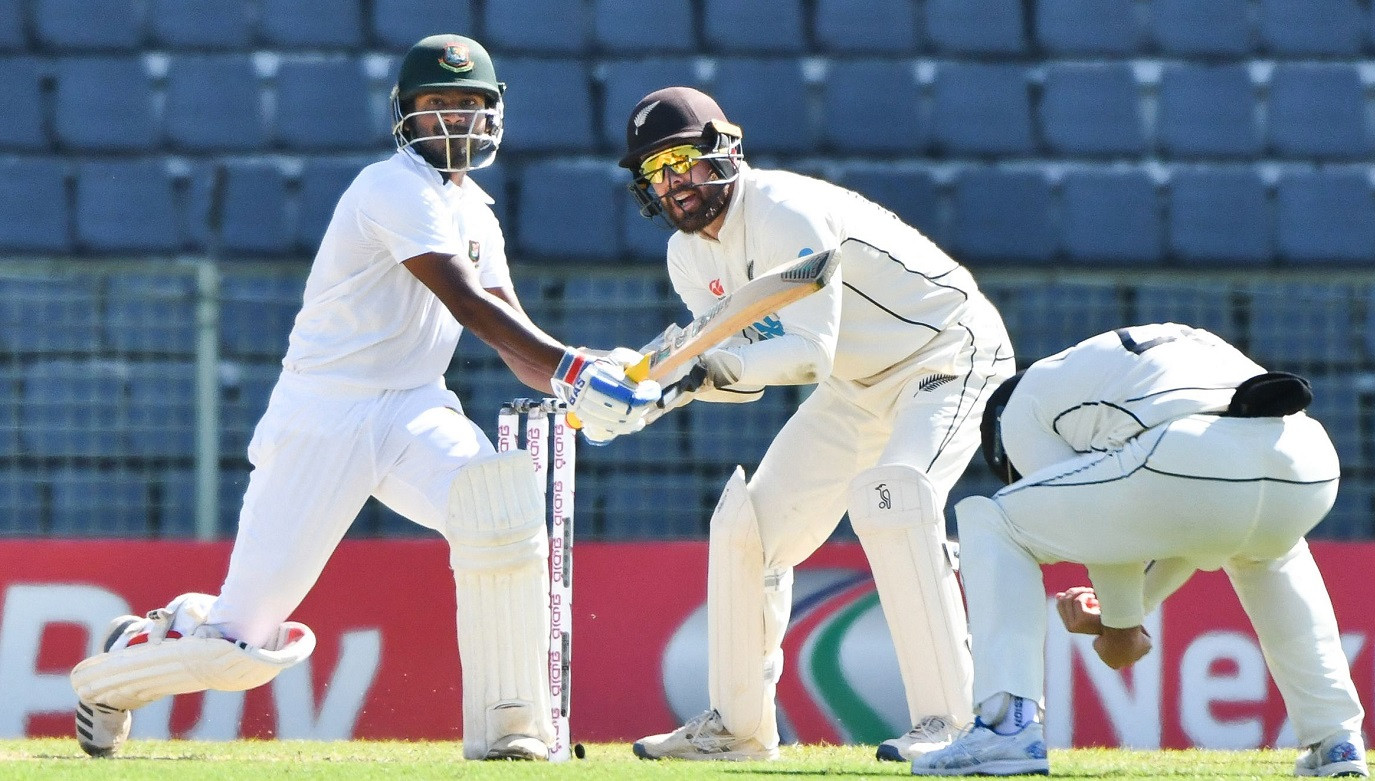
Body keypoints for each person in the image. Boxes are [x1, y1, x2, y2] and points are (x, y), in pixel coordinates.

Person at [68, 34, 653, 761]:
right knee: (237, 649)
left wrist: (595, 378)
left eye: (470, 105)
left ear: (495, 113)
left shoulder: (476, 209)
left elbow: (512, 336)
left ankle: (512, 729)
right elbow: (467, 304)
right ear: (404, 116)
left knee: (500, 515)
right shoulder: (390, 187)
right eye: (436, 106)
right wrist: (571, 369)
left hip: (414, 407)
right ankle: (119, 664)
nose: (455, 122)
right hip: (325, 412)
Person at [606, 86, 1015, 762]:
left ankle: (947, 723)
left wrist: (696, 371)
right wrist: (659, 391)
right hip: (854, 386)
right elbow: (741, 379)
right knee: (748, 528)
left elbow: (805, 356)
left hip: (944, 352)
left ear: (721, 153)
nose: (671, 182)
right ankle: (737, 729)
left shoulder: (781, 211)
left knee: (893, 499)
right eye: (655, 169)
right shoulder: (688, 257)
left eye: (681, 160)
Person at [912, 323, 1367, 778]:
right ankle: (1338, 743)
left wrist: (1121, 629)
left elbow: (1105, 531)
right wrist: (1127, 614)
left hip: (1190, 454)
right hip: (1307, 463)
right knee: (1269, 552)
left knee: (992, 522)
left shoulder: (1020, 413)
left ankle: (1005, 728)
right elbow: (1201, 523)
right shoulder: (1114, 364)